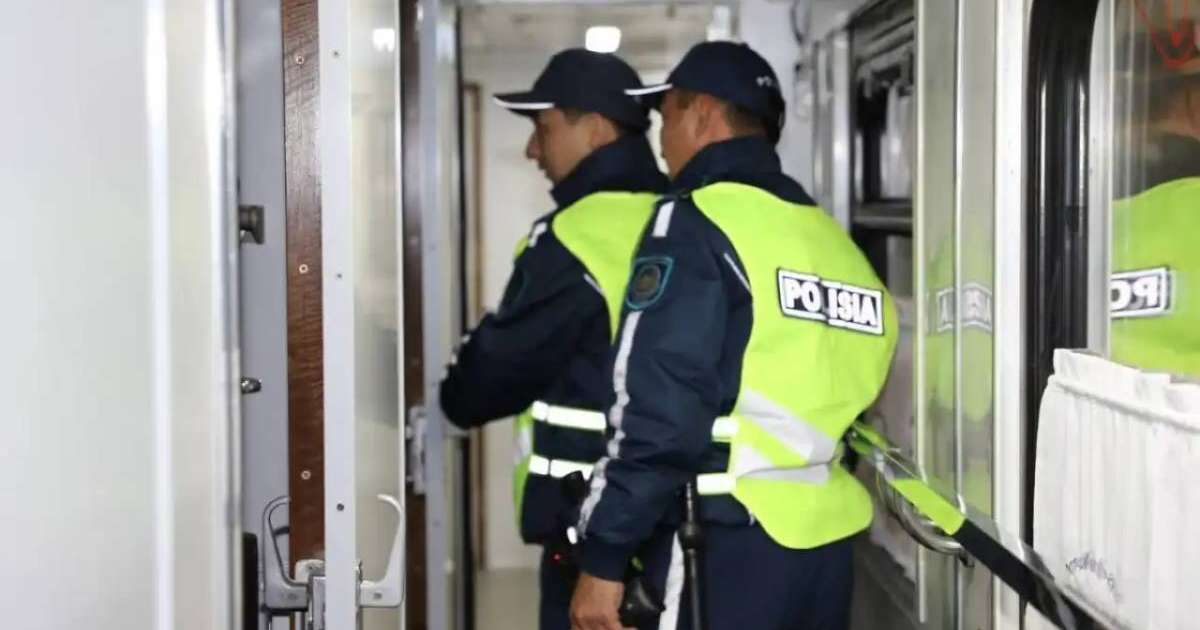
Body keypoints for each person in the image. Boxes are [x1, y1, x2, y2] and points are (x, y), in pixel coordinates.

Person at [568, 41, 898, 630]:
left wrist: (605, 553)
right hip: (824, 550)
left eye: (664, 115)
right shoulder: (834, 244)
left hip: (724, 544)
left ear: (701, 115)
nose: (659, 136)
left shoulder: (695, 221)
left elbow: (659, 404)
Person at [438, 48, 668, 630]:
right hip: (674, 521)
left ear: (595, 130)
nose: (531, 150)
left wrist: (454, 388)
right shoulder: (683, 214)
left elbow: (493, 375)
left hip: (591, 524)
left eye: (543, 130)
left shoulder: (574, 239)